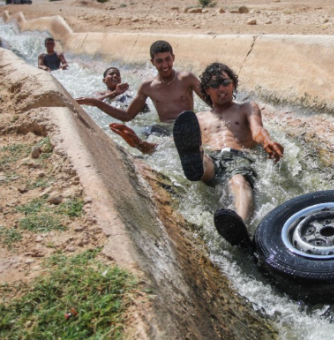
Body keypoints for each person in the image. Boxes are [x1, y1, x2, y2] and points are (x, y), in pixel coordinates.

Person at [173, 62, 284, 248]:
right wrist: (139, 143)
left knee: (239, 181)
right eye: (214, 85)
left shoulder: (246, 107)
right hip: (211, 156)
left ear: (233, 84)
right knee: (202, 160)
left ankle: (239, 225)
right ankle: (196, 165)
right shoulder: (198, 118)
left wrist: (267, 141)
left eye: (225, 82)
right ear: (207, 90)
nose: (221, 88)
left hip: (238, 156)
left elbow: (257, 130)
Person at [75, 40, 206, 153]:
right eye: (159, 61)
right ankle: (141, 144)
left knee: (171, 141)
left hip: (186, 126)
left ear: (173, 57)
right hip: (164, 129)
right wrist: (96, 102)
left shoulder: (187, 79)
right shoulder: (148, 86)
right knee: (142, 131)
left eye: (168, 59)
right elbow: (128, 115)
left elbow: (211, 102)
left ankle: (145, 146)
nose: (165, 65)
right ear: (152, 62)